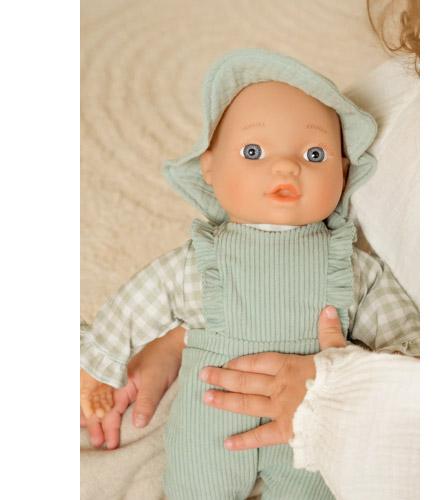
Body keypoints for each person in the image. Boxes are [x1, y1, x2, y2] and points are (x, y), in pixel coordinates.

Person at [81, 49, 419, 499]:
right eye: (254, 151)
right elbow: (139, 301)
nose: (287, 166)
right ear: (210, 169)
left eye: (314, 153)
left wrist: (372, 374)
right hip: (211, 405)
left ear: (342, 173)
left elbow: (405, 336)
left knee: (310, 490)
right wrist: (97, 364)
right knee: (196, 485)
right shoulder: (202, 259)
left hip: (312, 414)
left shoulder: (352, 266)